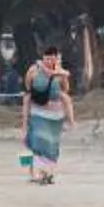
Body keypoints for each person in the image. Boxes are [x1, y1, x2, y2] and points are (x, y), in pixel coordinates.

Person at [19, 47, 73, 185]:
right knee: (38, 141)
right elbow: (28, 88)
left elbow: (66, 89)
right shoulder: (33, 71)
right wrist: (24, 122)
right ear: (42, 58)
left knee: (51, 145)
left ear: (55, 59)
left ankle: (48, 173)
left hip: (55, 116)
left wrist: (69, 120)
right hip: (37, 112)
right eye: (46, 58)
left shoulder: (60, 73)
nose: (49, 61)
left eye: (51, 58)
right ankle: (39, 173)